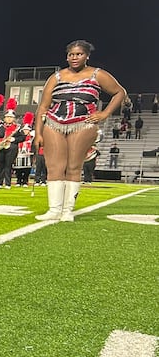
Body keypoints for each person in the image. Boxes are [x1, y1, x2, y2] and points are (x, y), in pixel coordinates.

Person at [34, 39, 125, 222]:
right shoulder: (56, 77)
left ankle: (67, 211)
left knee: (74, 166)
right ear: (67, 56)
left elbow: (120, 92)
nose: (74, 57)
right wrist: (38, 132)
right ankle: (54, 209)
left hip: (83, 123)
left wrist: (105, 113)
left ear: (87, 56)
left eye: (79, 54)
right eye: (71, 54)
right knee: (54, 167)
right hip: (53, 122)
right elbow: (43, 107)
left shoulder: (97, 74)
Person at [0, 99, 25, 189]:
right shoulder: (0, 125)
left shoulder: (18, 127)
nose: (9, 118)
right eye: (7, 117)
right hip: (1, 147)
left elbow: (23, 137)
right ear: (4, 118)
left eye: (11, 117)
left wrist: (14, 139)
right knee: (1, 166)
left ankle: (8, 183)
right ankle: (0, 183)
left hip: (11, 148)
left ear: (14, 118)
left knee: (8, 166)